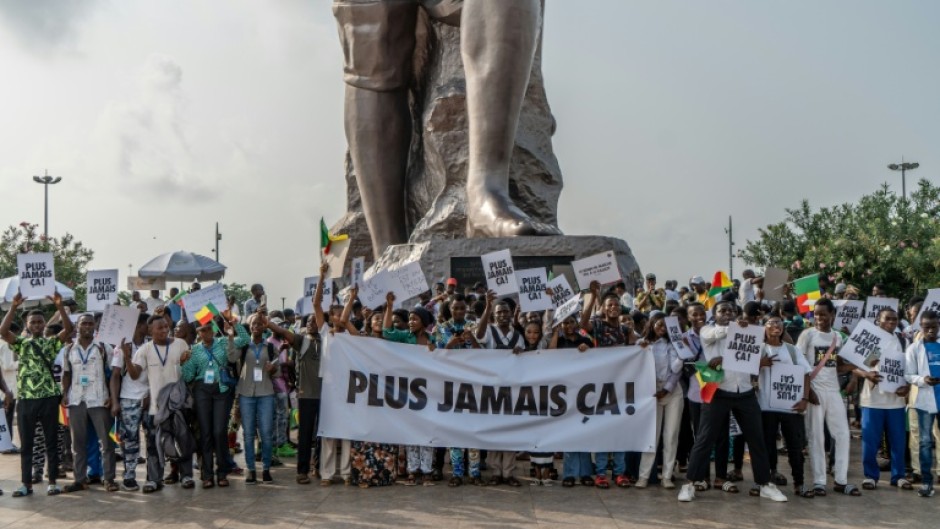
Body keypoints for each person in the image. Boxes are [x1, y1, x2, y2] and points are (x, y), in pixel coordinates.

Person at [678, 301, 787, 502]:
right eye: (722, 310)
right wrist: (736, 327)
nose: (727, 313)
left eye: (731, 310)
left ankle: (764, 484)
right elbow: (719, 334)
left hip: (745, 392)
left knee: (757, 439)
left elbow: (755, 356)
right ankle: (690, 484)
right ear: (715, 314)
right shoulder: (707, 331)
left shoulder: (747, 331)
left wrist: (758, 333)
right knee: (704, 439)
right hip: (718, 391)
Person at [1, 291, 72, 498]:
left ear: (43, 325)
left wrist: (59, 306)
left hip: (49, 398)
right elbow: (3, 331)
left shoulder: (51, 343)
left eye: (40, 322)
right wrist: (13, 307)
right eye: (33, 322)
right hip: (26, 400)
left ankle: (51, 483)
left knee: (51, 442)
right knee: (27, 445)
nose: (37, 325)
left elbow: (69, 329)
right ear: (27, 325)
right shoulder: (21, 344)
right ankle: (26, 484)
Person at [797, 298, 860, 496]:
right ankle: (819, 481)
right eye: (816, 314)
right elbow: (799, 365)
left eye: (823, 314)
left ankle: (841, 480)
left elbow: (837, 365)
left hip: (833, 391)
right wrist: (807, 392)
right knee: (816, 436)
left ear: (832, 315)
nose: (819, 318)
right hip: (814, 391)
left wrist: (859, 365)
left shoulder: (838, 338)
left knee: (842, 434)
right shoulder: (807, 335)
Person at [127, 309, 194, 493]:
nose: (164, 330)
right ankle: (154, 479)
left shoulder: (180, 344)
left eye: (165, 326)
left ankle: (186, 475)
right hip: (156, 408)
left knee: (183, 440)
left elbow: (190, 369)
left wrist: (186, 361)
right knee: (153, 444)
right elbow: (134, 375)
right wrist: (126, 357)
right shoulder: (144, 350)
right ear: (150, 331)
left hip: (178, 405)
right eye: (159, 328)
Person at [580, 281, 637, 489]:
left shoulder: (624, 329)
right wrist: (594, 297)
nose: (613, 308)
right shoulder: (598, 325)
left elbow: (635, 351)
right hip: (601, 387)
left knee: (619, 431)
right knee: (604, 431)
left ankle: (620, 472)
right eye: (609, 305)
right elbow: (583, 324)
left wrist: (634, 335)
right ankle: (601, 472)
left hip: (621, 388)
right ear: (604, 308)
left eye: (616, 305)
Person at [380, 292, 436, 485]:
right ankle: (413, 470)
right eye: (410, 319)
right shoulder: (405, 336)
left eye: (415, 319)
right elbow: (387, 332)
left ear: (425, 321)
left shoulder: (432, 340)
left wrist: (434, 351)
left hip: (429, 392)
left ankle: (427, 471)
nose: (411, 322)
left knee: (427, 431)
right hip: (408, 391)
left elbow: (444, 360)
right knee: (412, 431)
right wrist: (389, 306)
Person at [855, 308, 912, 491]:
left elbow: (910, 369)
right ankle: (870, 476)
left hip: (895, 401)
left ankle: (899, 476)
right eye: (887, 319)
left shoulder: (903, 340)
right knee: (870, 441)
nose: (891, 322)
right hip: (872, 400)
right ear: (878, 320)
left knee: (898, 441)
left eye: (895, 319)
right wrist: (866, 374)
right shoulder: (870, 341)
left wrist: (908, 387)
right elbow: (853, 364)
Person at [60, 313, 118, 493]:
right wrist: (64, 393)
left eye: (90, 323)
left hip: (100, 400)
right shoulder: (69, 349)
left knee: (107, 443)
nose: (87, 326)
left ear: (95, 327)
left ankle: (108, 479)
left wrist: (113, 397)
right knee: (78, 444)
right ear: (77, 326)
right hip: (77, 400)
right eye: (83, 323)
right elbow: (67, 373)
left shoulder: (103, 348)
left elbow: (114, 374)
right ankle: (80, 479)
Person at [757, 314, 812, 498]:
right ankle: (769, 480)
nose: (775, 326)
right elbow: (746, 373)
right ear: (764, 327)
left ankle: (799, 483)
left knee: (795, 446)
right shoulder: (759, 349)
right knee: (768, 445)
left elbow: (805, 374)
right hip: (766, 406)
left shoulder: (792, 350)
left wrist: (804, 399)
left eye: (779, 323)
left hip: (791, 406)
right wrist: (760, 364)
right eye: (771, 323)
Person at [475, 291, 523, 487]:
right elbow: (478, 335)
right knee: (495, 430)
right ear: (494, 315)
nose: (503, 315)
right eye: (499, 312)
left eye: (506, 312)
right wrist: (487, 305)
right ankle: (495, 470)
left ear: (512, 314)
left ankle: (508, 472)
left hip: (510, 388)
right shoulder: (490, 332)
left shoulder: (518, 336)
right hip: (492, 388)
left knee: (509, 431)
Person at [228, 312, 279, 485]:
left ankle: (265, 469)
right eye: (252, 324)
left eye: (259, 324)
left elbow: (277, 371)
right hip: (246, 394)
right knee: (248, 433)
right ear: (249, 327)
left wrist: (273, 369)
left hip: (266, 393)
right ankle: (251, 470)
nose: (256, 327)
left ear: (264, 326)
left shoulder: (270, 347)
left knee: (265, 433)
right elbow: (231, 357)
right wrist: (230, 338)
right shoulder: (242, 345)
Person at [182, 320, 234, 488]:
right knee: (205, 433)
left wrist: (233, 330)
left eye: (208, 329)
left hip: (221, 389)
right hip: (202, 390)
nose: (205, 333)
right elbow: (188, 376)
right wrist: (183, 363)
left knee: (219, 431)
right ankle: (207, 474)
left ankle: (222, 472)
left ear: (213, 329)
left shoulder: (223, 342)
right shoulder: (195, 350)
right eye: (202, 330)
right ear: (198, 332)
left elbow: (243, 339)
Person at [636, 313, 683, 489]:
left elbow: (676, 369)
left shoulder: (673, 344)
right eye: (659, 325)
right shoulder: (641, 343)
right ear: (652, 323)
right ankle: (644, 476)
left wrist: (682, 352)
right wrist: (640, 350)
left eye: (666, 327)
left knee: (671, 435)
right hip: (650, 392)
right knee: (651, 436)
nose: (662, 329)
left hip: (671, 391)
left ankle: (667, 476)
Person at [548, 313, 594, 487]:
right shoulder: (559, 342)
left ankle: (585, 473)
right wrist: (555, 333)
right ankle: (569, 473)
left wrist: (586, 349)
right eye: (565, 323)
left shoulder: (586, 341)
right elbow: (550, 354)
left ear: (576, 324)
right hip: (564, 392)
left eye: (571, 322)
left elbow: (597, 359)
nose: (568, 325)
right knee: (569, 433)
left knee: (584, 432)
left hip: (583, 391)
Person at [109, 312, 151, 491]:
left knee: (152, 438)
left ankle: (153, 475)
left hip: (149, 399)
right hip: (129, 399)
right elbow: (115, 376)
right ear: (139, 326)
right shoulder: (122, 347)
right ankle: (130, 475)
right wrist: (115, 401)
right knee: (130, 440)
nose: (149, 328)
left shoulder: (151, 346)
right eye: (147, 324)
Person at [905, 310, 940, 497]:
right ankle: (927, 482)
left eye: (934, 326)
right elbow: (908, 375)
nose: (931, 331)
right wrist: (922, 380)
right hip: (925, 401)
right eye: (927, 327)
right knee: (926, 442)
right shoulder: (913, 349)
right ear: (921, 327)